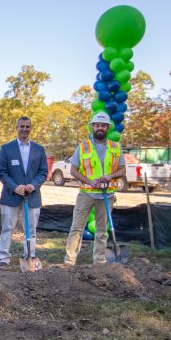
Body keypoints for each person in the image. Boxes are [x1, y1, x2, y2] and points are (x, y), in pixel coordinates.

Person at [64, 111, 126, 265]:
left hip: (107, 194)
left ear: (107, 128)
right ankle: (69, 260)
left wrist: (110, 177)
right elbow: (73, 170)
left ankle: (99, 260)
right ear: (92, 127)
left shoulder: (116, 147)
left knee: (101, 231)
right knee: (77, 228)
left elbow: (123, 170)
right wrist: (90, 181)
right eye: (97, 125)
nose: (100, 128)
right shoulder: (83, 147)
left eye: (103, 125)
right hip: (86, 193)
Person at [0, 116, 49, 269]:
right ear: (17, 128)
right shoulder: (7, 148)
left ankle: (30, 256)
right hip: (11, 196)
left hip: (32, 196)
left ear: (31, 128)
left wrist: (34, 185)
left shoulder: (39, 150)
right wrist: (14, 187)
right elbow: (2, 172)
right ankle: (3, 258)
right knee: (7, 228)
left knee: (31, 229)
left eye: (27, 126)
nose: (24, 129)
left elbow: (43, 172)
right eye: (22, 126)